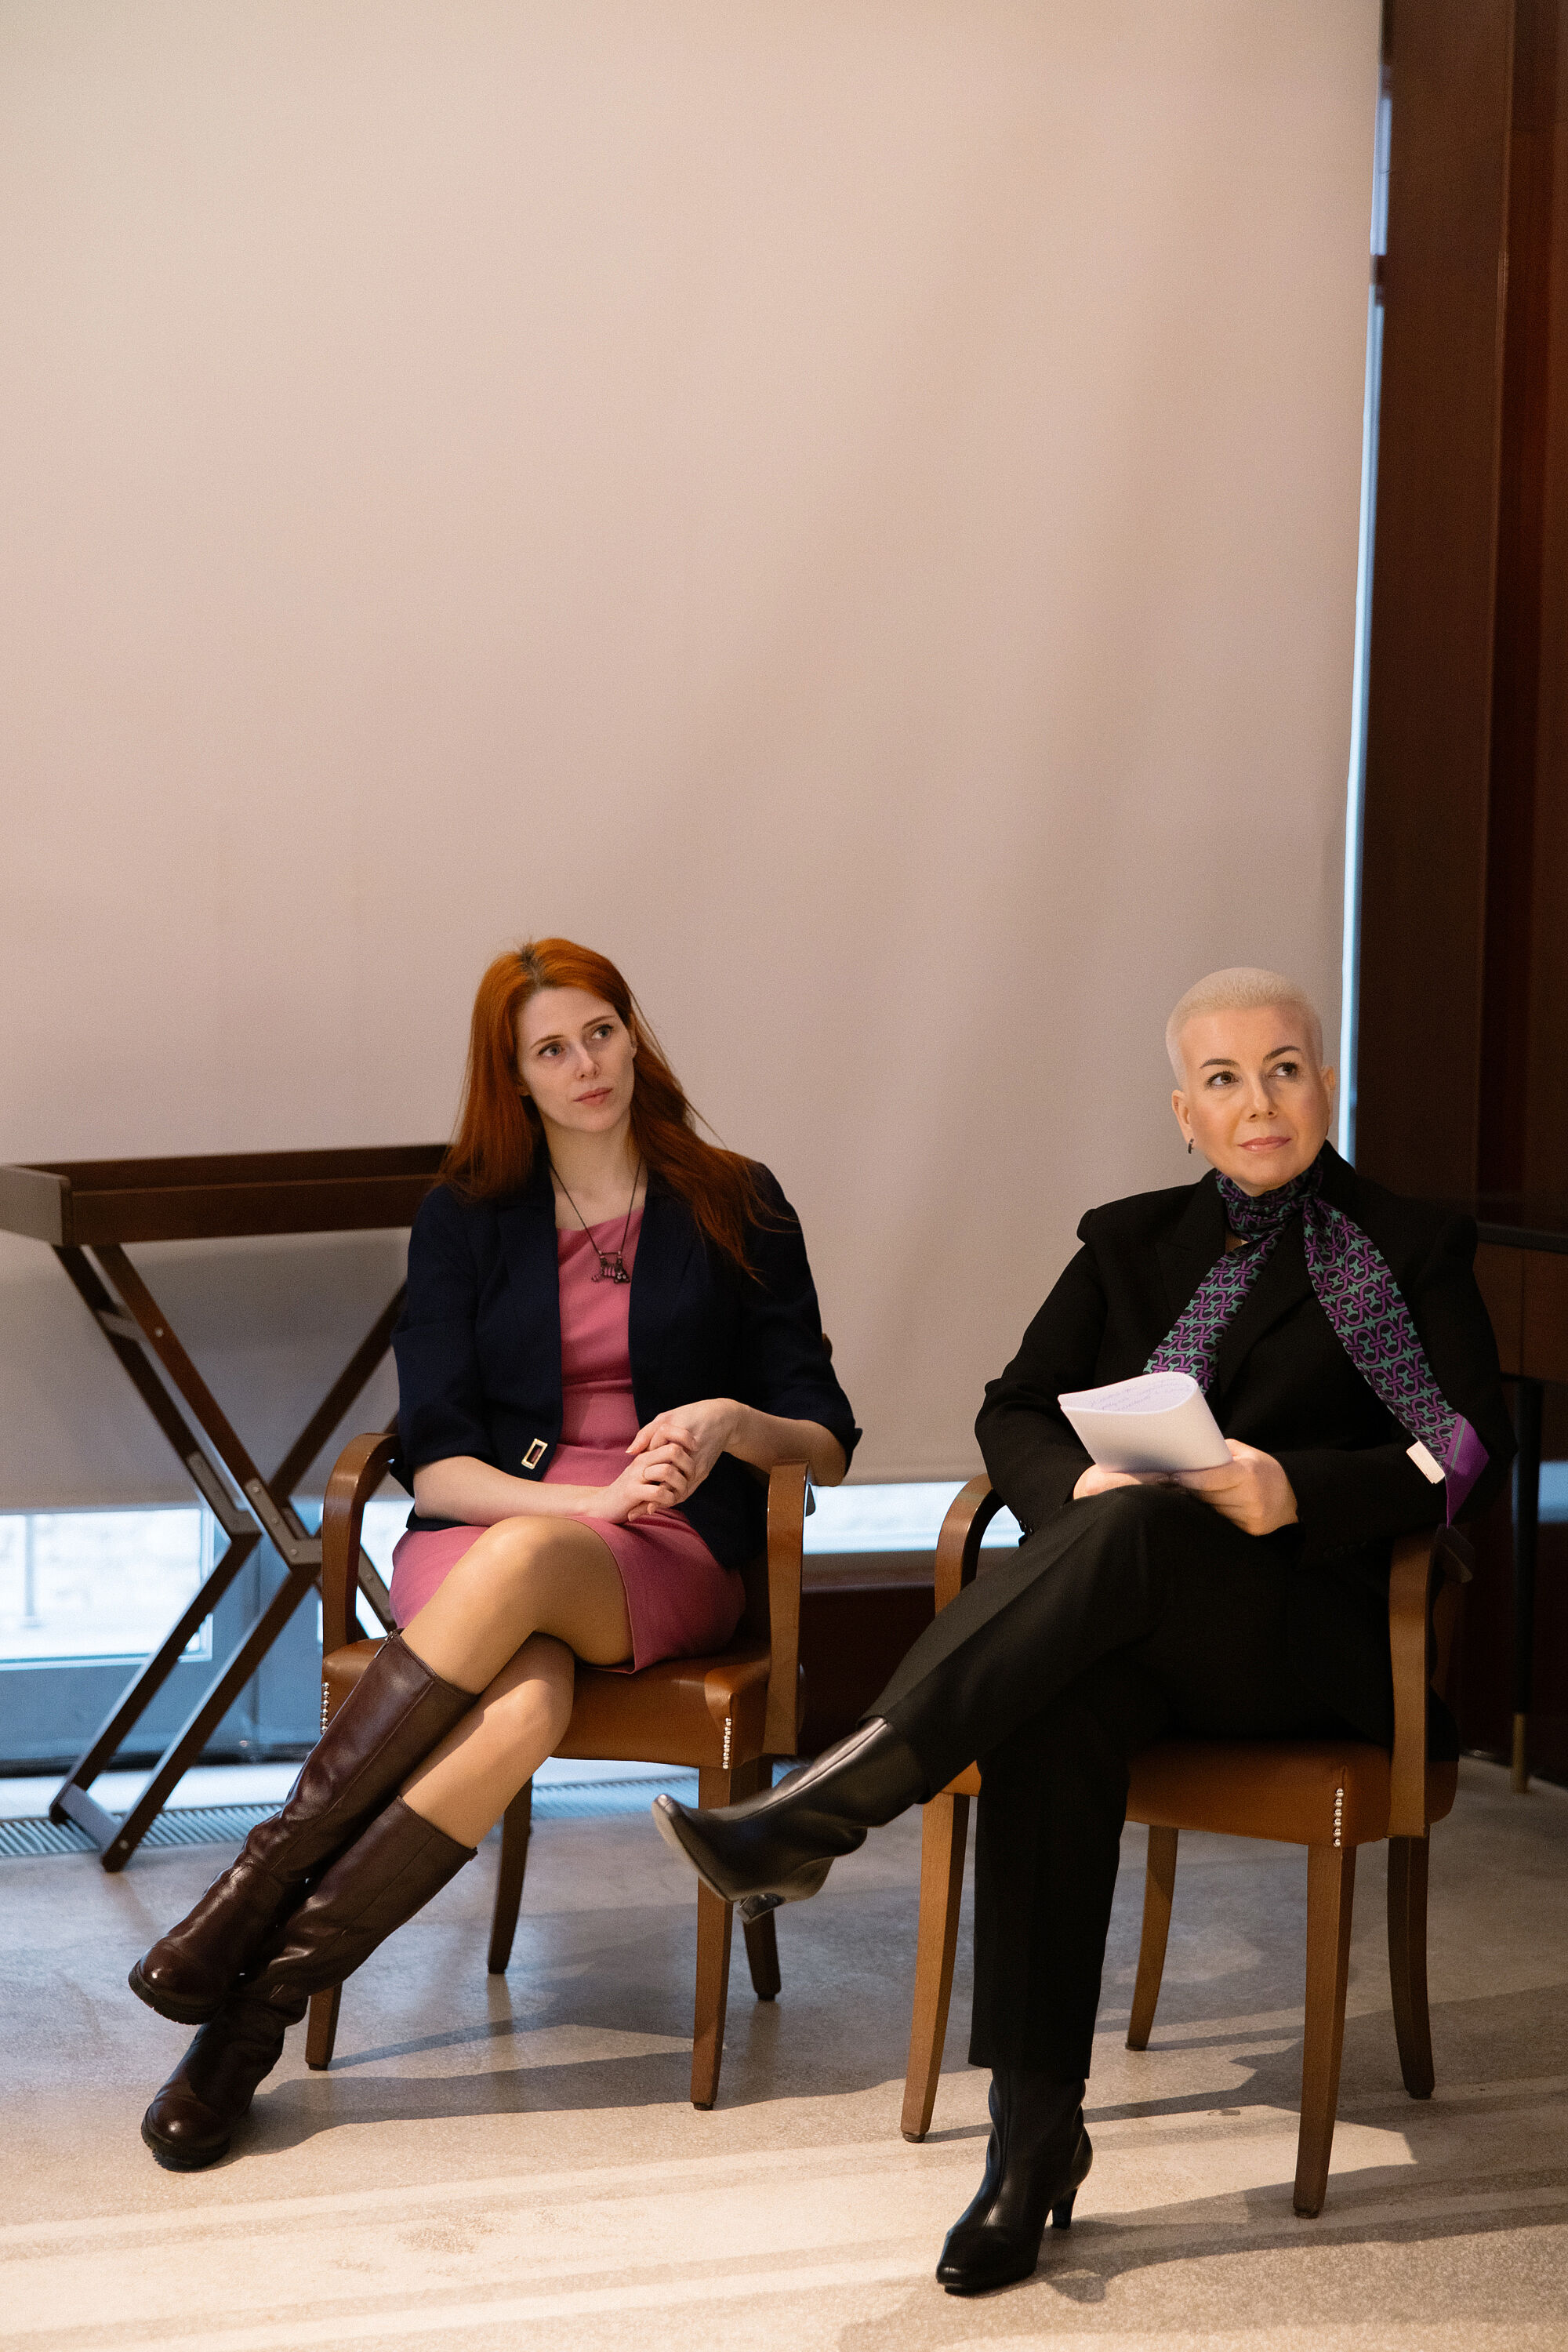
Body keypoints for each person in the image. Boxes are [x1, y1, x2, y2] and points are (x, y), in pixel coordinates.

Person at [655, 965, 1513, 2297]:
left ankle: (832, 1800)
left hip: (1311, 1638)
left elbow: (1466, 1451)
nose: (1259, 1101)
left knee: (1134, 1545)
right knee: (1061, 1684)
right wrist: (1075, 1488)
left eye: (1284, 1069)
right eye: (1223, 1079)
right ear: (1185, 1113)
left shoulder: (1405, 1245)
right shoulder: (1128, 1243)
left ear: (1326, 1083)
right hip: (1142, 1622)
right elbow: (1014, 1409)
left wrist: (1298, 1490)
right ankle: (1032, 2139)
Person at [130, 937, 858, 2169]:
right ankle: (251, 2020)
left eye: (602, 1033)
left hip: (667, 1549)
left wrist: (732, 1424)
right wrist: (586, 1499)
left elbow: (825, 1436)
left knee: (519, 1565)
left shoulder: (738, 1197)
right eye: (551, 1049)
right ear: (512, 1077)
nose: (587, 1066)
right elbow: (438, 1463)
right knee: (522, 1708)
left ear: (634, 1034)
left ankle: (246, 1900)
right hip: (485, 1529)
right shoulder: (464, 1218)